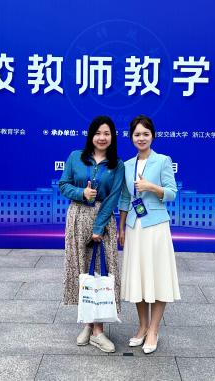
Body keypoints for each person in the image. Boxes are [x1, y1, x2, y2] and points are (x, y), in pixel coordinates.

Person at [59, 115, 125, 353]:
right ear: (91, 135)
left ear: (112, 137)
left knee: (101, 271)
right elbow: (63, 184)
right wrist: (81, 193)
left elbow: (113, 198)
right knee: (82, 269)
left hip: (102, 221)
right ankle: (87, 324)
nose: (102, 137)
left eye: (107, 133)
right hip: (77, 217)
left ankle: (99, 331)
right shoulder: (75, 157)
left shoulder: (117, 165)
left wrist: (98, 228)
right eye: (98, 133)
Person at [119, 114, 181, 354]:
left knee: (158, 276)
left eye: (146, 134)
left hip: (156, 226)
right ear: (131, 138)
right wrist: (121, 227)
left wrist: (151, 187)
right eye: (137, 134)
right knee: (139, 276)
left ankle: (154, 330)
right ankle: (143, 326)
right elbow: (125, 198)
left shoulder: (163, 161)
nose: (141, 138)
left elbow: (172, 193)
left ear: (152, 136)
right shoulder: (127, 165)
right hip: (134, 227)